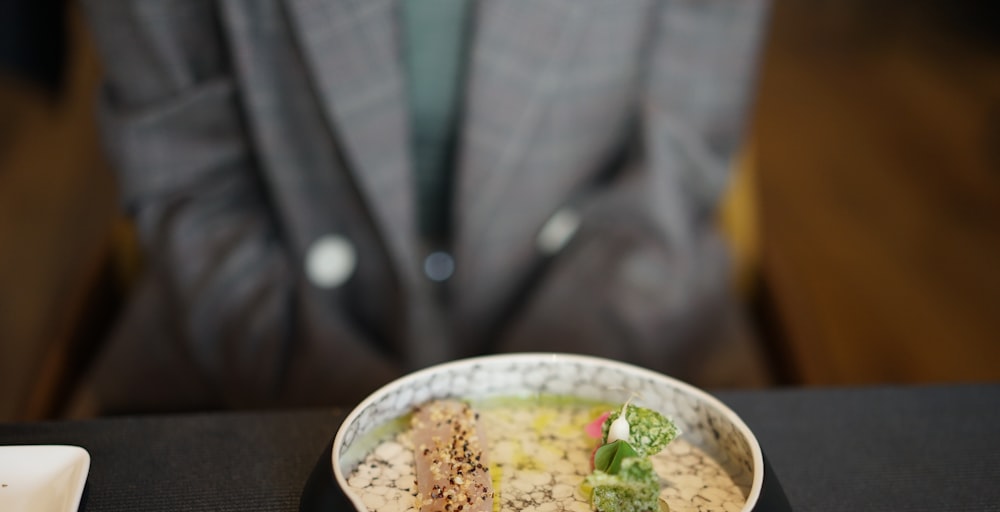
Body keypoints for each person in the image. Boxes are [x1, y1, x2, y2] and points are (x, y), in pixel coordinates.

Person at [77, 0, 773, 415]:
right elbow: (191, 181)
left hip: (617, 324)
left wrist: (533, 418)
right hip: (256, 346)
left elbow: (675, 166)